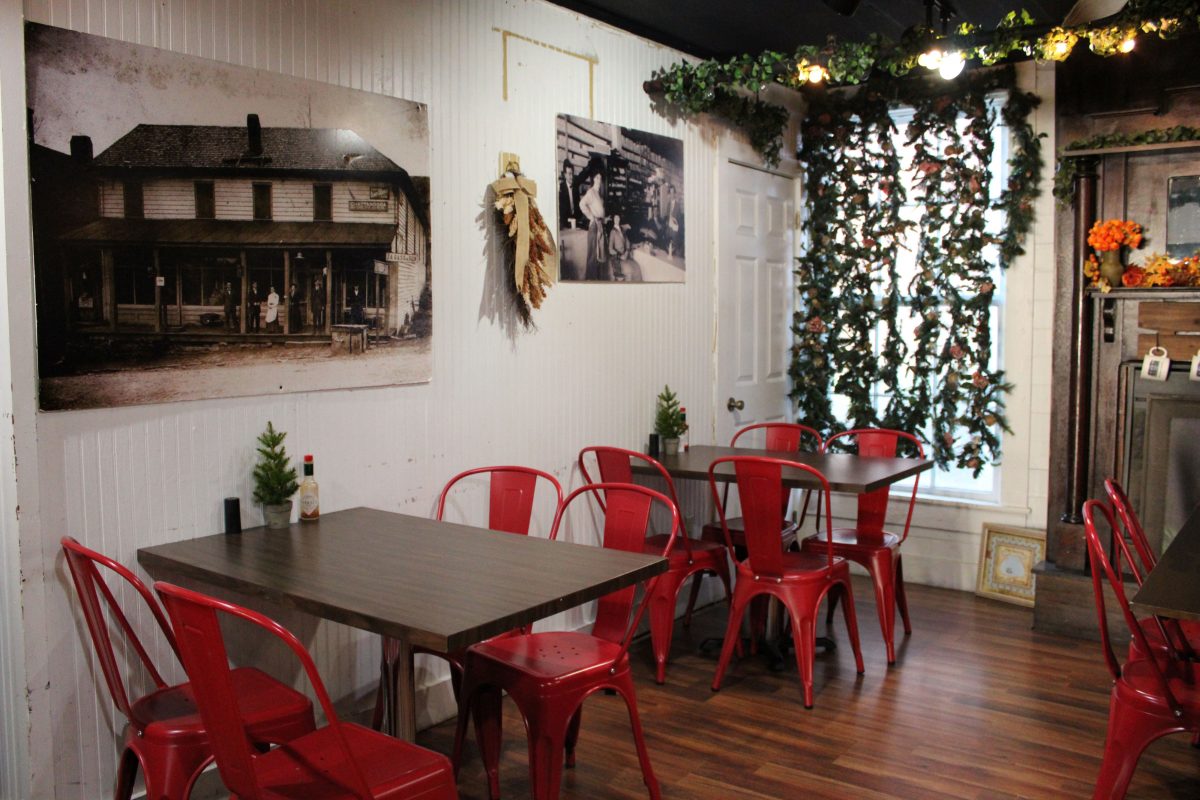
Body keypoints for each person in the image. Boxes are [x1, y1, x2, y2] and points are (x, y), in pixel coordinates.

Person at [580, 172, 607, 281]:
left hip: (600, 225)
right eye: (597, 177)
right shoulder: (591, 192)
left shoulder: (598, 194)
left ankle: (596, 281)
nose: (599, 180)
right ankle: (590, 281)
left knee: (599, 256)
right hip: (594, 227)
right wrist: (591, 217)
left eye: (600, 178)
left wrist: (604, 219)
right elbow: (582, 204)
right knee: (593, 256)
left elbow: (599, 211)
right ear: (593, 179)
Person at [558, 159, 581, 229]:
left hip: (576, 223)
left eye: (572, 174)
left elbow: (578, 207)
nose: (572, 177)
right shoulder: (560, 189)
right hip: (565, 224)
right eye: (569, 174)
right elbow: (561, 211)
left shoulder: (575, 188)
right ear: (565, 175)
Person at [608, 213, 629, 281]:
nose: (617, 219)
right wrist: (619, 255)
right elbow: (610, 248)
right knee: (618, 275)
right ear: (613, 220)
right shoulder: (612, 232)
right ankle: (618, 276)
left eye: (618, 218)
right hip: (617, 254)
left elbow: (627, 241)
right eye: (615, 218)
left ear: (620, 219)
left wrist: (627, 251)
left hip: (624, 253)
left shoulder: (622, 229)